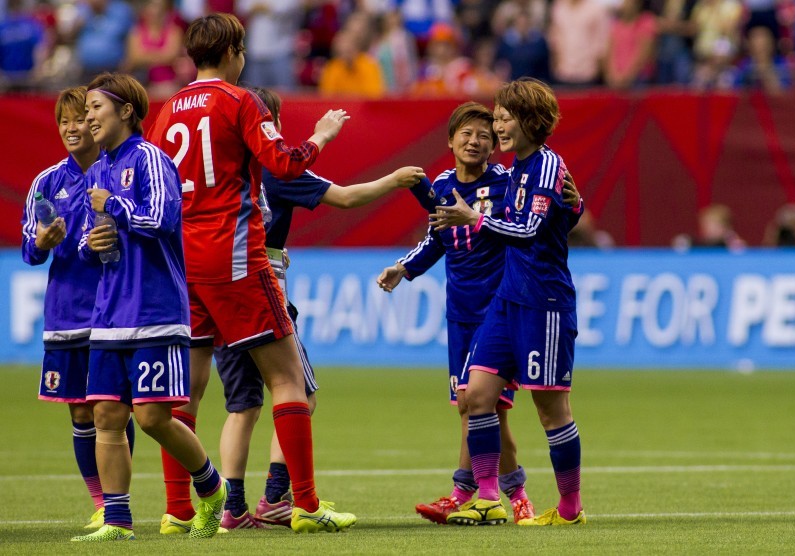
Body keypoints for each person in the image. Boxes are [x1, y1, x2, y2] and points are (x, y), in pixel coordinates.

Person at [145, 13, 355, 534]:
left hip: (182, 262)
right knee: (288, 381)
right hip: (234, 256)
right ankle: (304, 505)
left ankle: (178, 511)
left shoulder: (166, 109)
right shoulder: (241, 101)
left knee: (184, 395)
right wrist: (322, 137)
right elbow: (284, 164)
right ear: (235, 50)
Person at [214, 86, 425, 529]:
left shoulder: (220, 174)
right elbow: (346, 198)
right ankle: (278, 499)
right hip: (262, 280)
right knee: (299, 391)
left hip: (218, 286)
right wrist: (394, 179)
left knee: (243, 406)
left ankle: (231, 508)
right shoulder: (278, 172)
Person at [377, 101, 582, 525]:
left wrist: (574, 205)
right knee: (472, 404)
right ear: (450, 140)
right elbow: (438, 236)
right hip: (462, 310)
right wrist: (404, 267)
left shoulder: (509, 181)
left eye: (485, 135)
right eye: (467, 134)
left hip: (503, 305)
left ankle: (492, 493)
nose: (475, 141)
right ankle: (489, 493)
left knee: (483, 402)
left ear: (495, 147)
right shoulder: (446, 183)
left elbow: (542, 217)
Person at [71, 72, 227, 542]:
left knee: (153, 416)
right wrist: (89, 243)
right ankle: (117, 520)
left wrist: (114, 208)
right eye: (86, 110)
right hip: (109, 311)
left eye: (97, 107)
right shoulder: (96, 170)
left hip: (155, 308)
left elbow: (162, 218)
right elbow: (86, 236)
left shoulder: (151, 159)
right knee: (105, 415)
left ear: (126, 111)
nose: (88, 117)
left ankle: (212, 488)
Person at [430, 78, 587, 527]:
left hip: (544, 302)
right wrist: (574, 207)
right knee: (475, 396)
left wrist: (473, 218)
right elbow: (559, 213)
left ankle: (570, 507)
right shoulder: (519, 167)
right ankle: (485, 496)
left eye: (503, 118)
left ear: (530, 120)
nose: (496, 126)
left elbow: (529, 230)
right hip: (506, 300)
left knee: (549, 408)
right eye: (496, 118)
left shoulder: (544, 166)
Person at [21, 86, 136, 532]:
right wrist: (42, 242)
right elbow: (31, 249)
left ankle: (116, 502)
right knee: (81, 411)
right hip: (68, 313)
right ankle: (103, 503)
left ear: (96, 122)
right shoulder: (47, 182)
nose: (71, 127)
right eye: (63, 121)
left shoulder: (121, 171)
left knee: (114, 408)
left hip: (116, 310)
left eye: (79, 118)